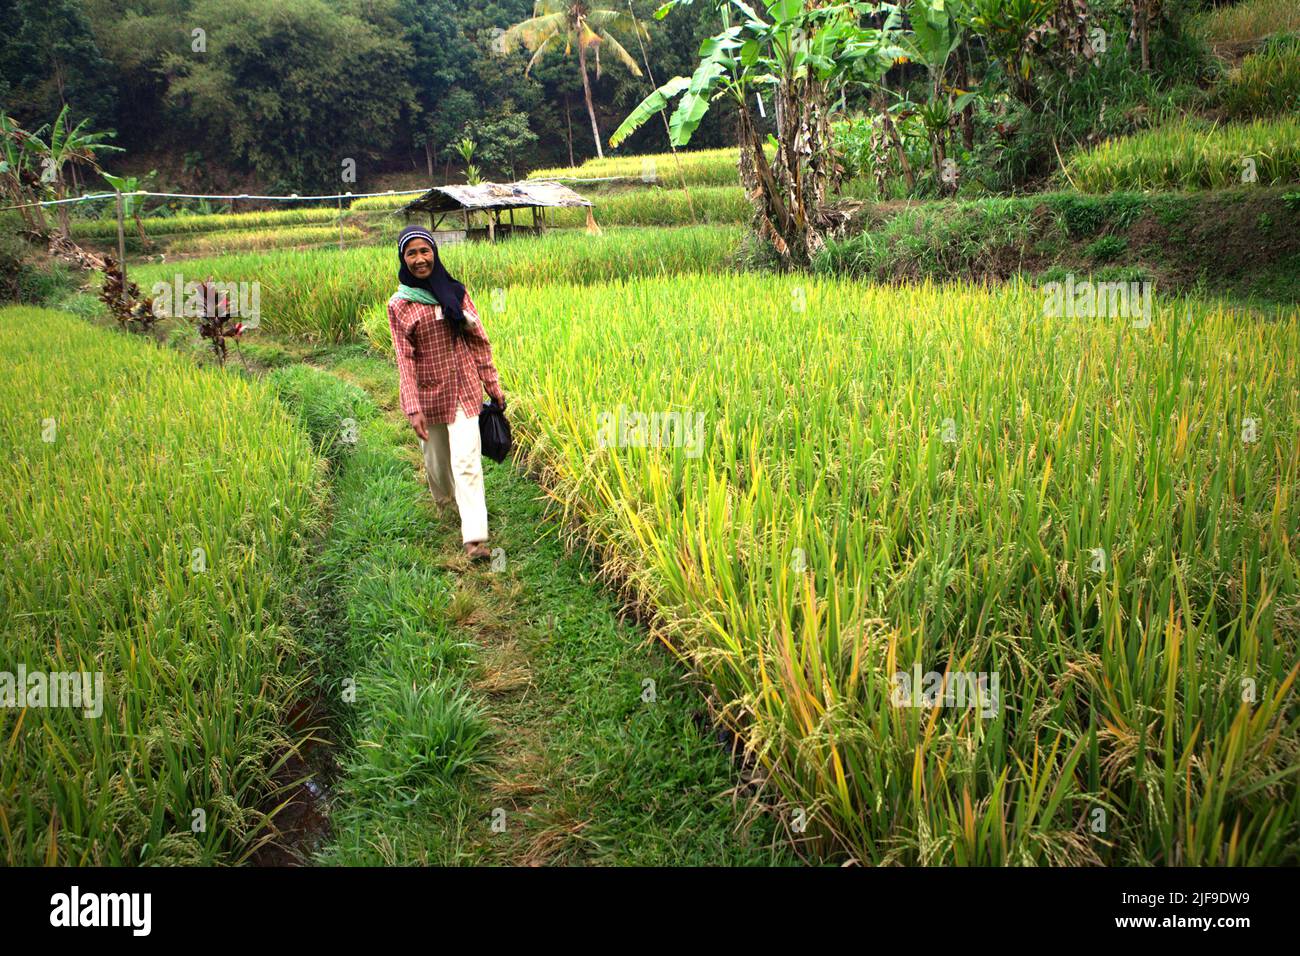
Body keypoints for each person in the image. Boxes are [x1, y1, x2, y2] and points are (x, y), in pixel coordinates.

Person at [387, 225, 506, 562]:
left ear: (435, 254)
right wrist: (412, 406)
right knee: (438, 463)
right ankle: (446, 502)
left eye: (425, 251)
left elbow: (479, 340)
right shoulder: (400, 305)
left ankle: (474, 538)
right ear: (403, 258)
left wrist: (492, 385)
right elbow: (404, 359)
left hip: (465, 389)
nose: (420, 259)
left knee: (466, 461)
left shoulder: (455, 292)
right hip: (429, 393)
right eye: (412, 253)